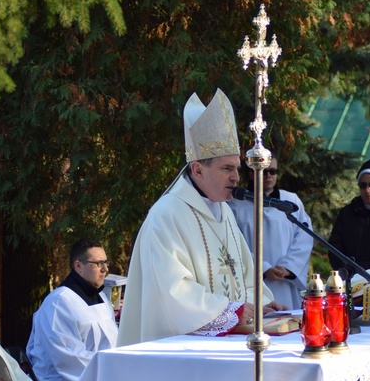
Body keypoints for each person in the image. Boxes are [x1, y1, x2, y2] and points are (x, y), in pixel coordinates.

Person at [118, 88, 284, 346]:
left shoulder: (224, 211)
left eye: (237, 169)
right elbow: (172, 292)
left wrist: (261, 304)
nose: (236, 178)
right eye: (226, 168)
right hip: (181, 352)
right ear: (197, 169)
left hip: (231, 343)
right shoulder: (167, 215)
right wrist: (230, 311)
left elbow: (243, 273)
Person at [26, 240, 118, 381]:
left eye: (105, 262)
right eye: (98, 263)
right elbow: (69, 358)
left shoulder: (102, 298)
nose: (105, 269)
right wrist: (114, 371)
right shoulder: (59, 302)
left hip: (104, 376)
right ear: (78, 265)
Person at [228, 157, 313, 309]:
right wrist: (264, 268)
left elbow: (304, 236)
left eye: (273, 172)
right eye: (264, 172)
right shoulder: (235, 205)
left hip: (285, 281)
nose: (269, 176)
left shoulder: (290, 201)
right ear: (251, 174)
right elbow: (234, 243)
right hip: (254, 282)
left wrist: (289, 267)